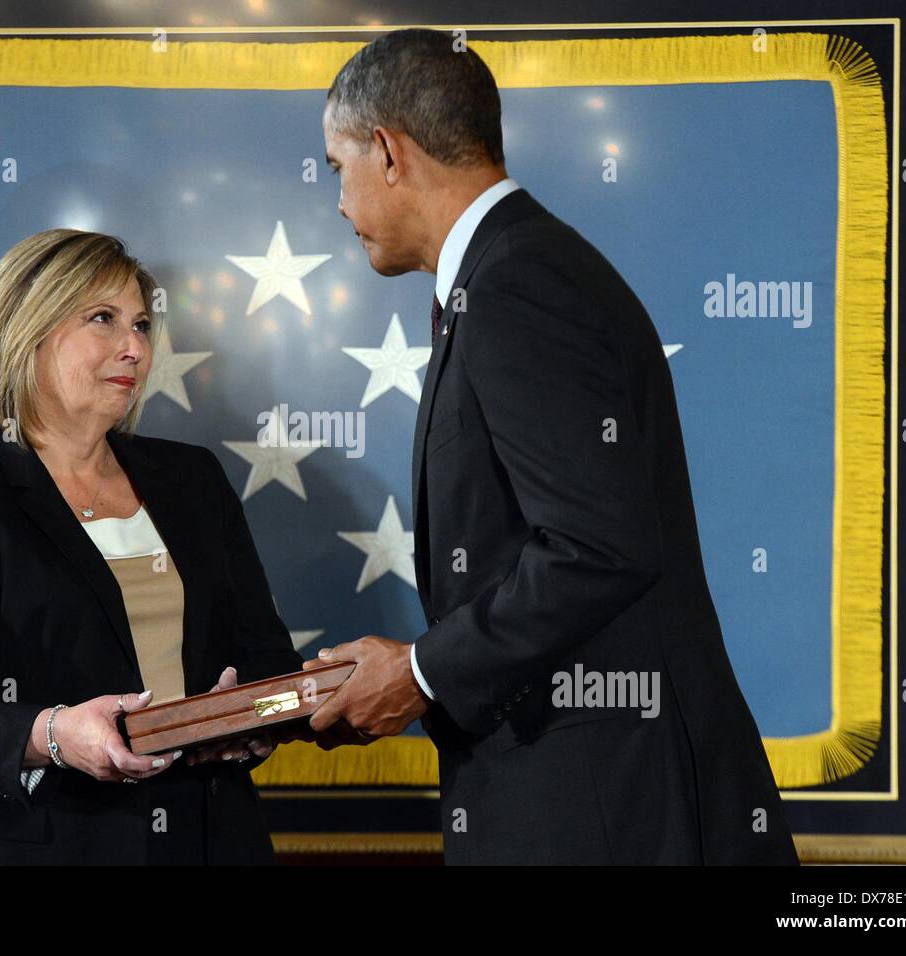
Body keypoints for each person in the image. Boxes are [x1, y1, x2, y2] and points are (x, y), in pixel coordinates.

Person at [307, 28, 800, 864]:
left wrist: (423, 672)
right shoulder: (513, 270)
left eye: (336, 169)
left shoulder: (516, 285)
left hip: (607, 803)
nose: (339, 202)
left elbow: (596, 548)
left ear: (387, 152)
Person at [0, 228, 305, 864]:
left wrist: (255, 721)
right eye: (103, 320)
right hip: (30, 843)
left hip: (204, 839)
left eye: (140, 325)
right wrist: (55, 734)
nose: (134, 347)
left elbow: (268, 664)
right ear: (26, 331)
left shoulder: (192, 479)